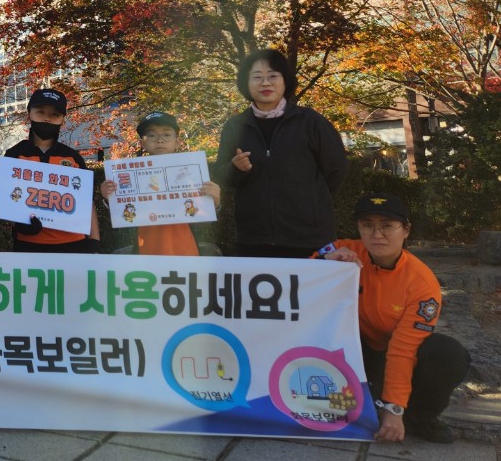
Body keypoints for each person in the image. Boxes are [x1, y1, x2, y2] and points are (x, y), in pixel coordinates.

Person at [322, 194, 471, 444]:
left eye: (387, 226)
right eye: (367, 225)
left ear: (406, 230)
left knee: (448, 353)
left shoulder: (421, 283)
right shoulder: (344, 250)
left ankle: (420, 415)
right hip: (352, 350)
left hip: (391, 354)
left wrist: (393, 408)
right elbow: (297, 275)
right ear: (358, 228)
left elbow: (404, 349)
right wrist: (324, 262)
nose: (377, 234)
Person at [215, 48, 348, 258]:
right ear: (246, 84)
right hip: (253, 238)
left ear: (285, 81)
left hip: (310, 238)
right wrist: (235, 168)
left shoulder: (310, 121)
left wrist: (312, 203)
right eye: (257, 77)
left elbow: (336, 169)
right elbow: (220, 176)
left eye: (273, 76)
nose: (265, 83)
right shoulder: (235, 126)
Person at [99, 111, 221, 256]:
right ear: (142, 143)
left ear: (178, 141)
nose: (160, 140)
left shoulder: (193, 172)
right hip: (145, 249)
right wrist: (110, 198)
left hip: (187, 249)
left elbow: (203, 218)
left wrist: (214, 202)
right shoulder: (130, 173)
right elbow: (124, 216)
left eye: (167, 135)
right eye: (151, 135)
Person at [5, 88, 99, 253]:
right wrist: (17, 223)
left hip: (73, 244)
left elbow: (88, 202)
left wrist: (94, 241)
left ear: (62, 119)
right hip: (28, 245)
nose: (47, 118)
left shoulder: (73, 158)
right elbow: (5, 200)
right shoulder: (14, 155)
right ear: (29, 113)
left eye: (54, 114)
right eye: (40, 112)